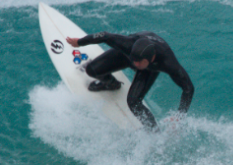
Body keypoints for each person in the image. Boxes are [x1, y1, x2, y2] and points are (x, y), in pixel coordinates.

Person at [66, 31, 194, 130]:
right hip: (129, 53)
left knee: (133, 101)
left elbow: (188, 88)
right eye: (134, 61)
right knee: (91, 70)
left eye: (138, 63)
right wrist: (80, 42)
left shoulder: (167, 61)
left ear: (150, 59)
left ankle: (153, 131)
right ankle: (112, 84)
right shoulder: (128, 45)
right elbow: (104, 35)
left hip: (148, 69)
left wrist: (180, 115)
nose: (134, 65)